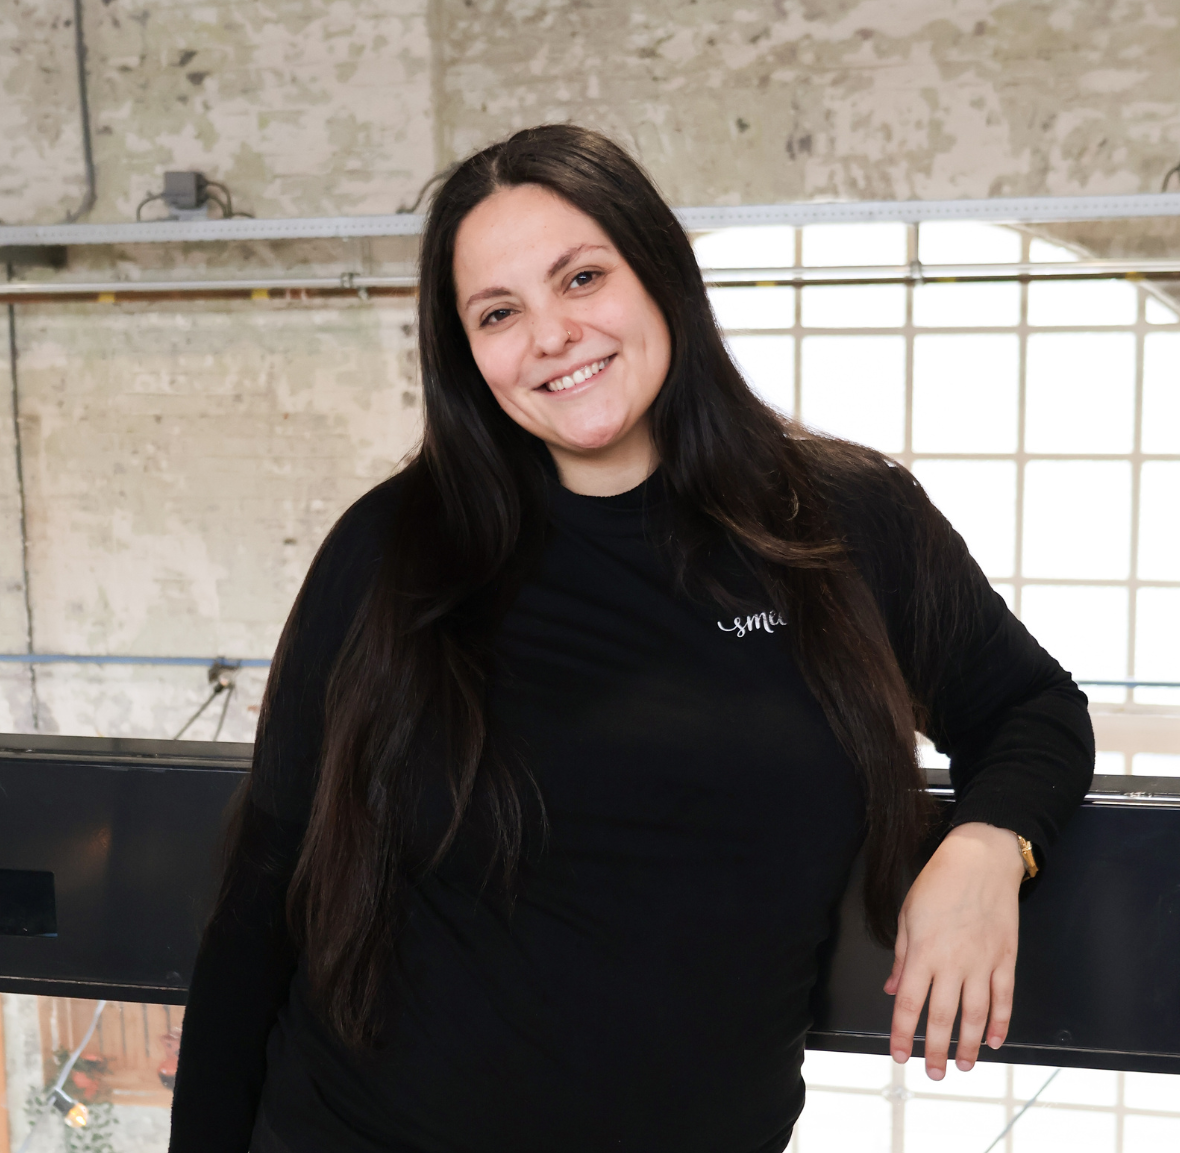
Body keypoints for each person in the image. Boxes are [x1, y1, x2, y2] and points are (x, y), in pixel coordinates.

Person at [169, 125, 1094, 1153]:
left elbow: (1031, 708)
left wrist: (987, 846)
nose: (552, 334)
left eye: (581, 277)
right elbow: (264, 889)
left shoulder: (847, 521)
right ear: (468, 354)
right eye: (499, 312)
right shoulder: (391, 550)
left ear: (658, 273)